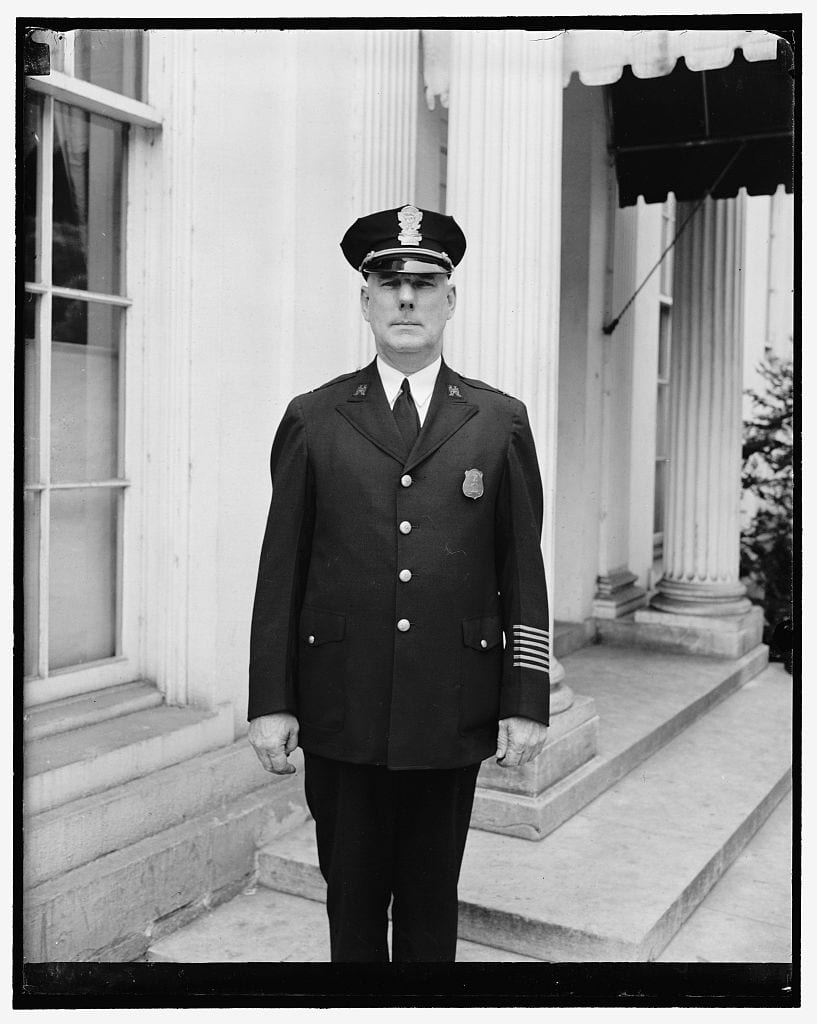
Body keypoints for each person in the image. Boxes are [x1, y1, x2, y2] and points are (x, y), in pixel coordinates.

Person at [248, 205, 550, 963]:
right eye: (389, 283)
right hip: (341, 703)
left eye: (424, 283)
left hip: (450, 708)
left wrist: (523, 700)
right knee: (351, 906)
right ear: (365, 301)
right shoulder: (314, 418)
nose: (406, 299)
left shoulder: (497, 420)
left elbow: (523, 566)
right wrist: (271, 701)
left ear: (451, 299)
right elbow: (280, 568)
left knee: (428, 905)